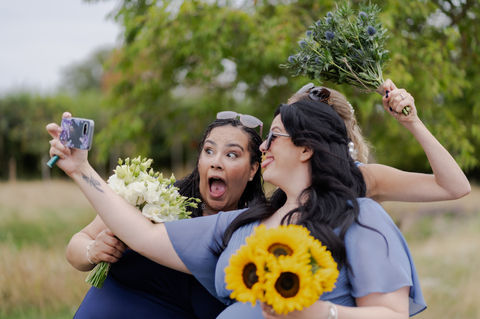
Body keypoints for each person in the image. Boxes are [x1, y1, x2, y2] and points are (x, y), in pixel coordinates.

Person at [47, 92, 427, 318]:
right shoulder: (243, 222)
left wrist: (317, 312)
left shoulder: (359, 216)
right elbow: (144, 236)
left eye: (274, 137)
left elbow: (390, 314)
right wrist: (81, 170)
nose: (263, 147)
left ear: (306, 148)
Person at [63, 113, 265, 318]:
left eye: (231, 155)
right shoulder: (152, 195)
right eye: (209, 151)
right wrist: (92, 251)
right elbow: (75, 246)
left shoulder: (255, 230)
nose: (216, 162)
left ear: (252, 169)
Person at [288, 79, 471, 203]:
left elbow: (454, 187)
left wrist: (412, 121)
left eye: (284, 131)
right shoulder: (281, 182)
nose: (268, 144)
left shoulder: (360, 178)